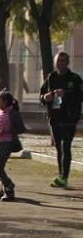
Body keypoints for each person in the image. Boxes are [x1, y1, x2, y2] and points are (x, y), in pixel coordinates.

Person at [40, 51, 82, 187]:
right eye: (58, 61)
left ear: (68, 62)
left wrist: (66, 94)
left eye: (63, 61)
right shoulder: (51, 77)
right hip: (55, 117)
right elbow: (42, 95)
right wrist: (46, 97)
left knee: (66, 145)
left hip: (69, 117)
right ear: (55, 62)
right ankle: (61, 176)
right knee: (59, 147)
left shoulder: (74, 78)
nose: (61, 63)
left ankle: (64, 176)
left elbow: (81, 95)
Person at [0, 91, 19, 201]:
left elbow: (21, 128)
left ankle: (9, 187)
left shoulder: (12, 113)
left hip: (6, 142)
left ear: (6, 102)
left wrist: (5, 131)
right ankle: (4, 186)